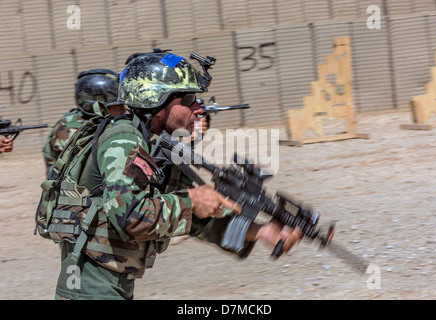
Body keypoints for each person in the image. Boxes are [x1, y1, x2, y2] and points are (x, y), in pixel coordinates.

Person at [53, 50, 302, 300]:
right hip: (88, 288)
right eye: (189, 98)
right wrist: (193, 200)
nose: (197, 108)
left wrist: (259, 231)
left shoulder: (155, 147)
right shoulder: (123, 141)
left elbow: (196, 219)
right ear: (156, 101)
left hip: (109, 286)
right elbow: (129, 216)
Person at [42, 68, 126, 172]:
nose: (123, 109)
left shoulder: (94, 124)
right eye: (118, 106)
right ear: (98, 106)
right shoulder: (73, 131)